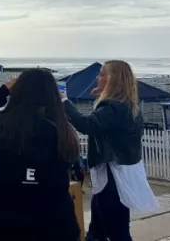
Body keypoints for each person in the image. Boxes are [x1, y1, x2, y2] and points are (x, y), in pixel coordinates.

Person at [0, 69, 82, 241]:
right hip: (56, 229)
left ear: (18, 93)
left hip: (1, 228)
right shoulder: (65, 133)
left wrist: (4, 90)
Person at [64, 60, 158, 241]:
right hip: (118, 176)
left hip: (110, 178)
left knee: (117, 232)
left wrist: (64, 102)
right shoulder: (127, 105)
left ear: (112, 80)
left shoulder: (112, 108)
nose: (97, 78)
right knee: (98, 230)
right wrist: (104, 97)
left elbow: (88, 125)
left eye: (101, 75)